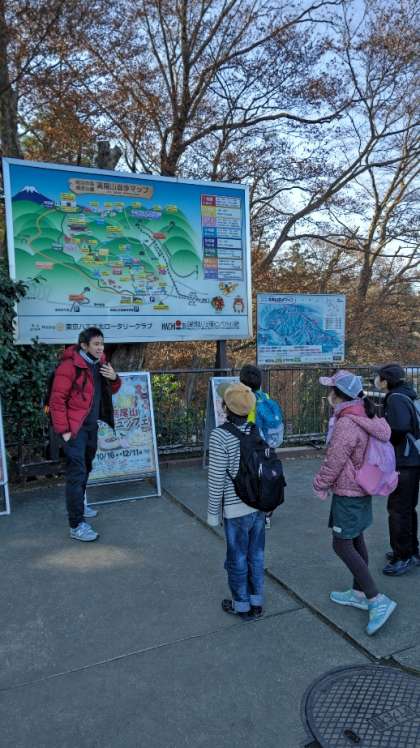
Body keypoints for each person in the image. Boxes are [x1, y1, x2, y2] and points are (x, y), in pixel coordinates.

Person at [313, 370, 397, 636]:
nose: (329, 394)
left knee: (341, 544)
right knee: (356, 538)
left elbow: (335, 460)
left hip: (348, 491)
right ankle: (359, 592)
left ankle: (375, 599)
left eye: (332, 390)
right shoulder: (365, 414)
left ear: (340, 395)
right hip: (362, 487)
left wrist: (320, 483)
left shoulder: (347, 423)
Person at [49, 327, 121, 541]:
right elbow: (56, 400)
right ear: (84, 345)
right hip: (74, 429)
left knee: (86, 467)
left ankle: (79, 504)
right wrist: (64, 431)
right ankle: (76, 524)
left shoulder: (100, 363)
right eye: (96, 344)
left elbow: (112, 389)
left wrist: (114, 378)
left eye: (102, 344)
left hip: (91, 427)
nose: (100, 348)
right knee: (77, 473)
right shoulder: (69, 366)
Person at [207, 382, 265, 620]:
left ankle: (242, 606)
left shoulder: (220, 435)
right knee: (256, 556)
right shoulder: (256, 431)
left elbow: (216, 478)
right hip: (258, 506)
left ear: (225, 407)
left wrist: (213, 514)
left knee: (237, 559)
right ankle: (256, 601)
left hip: (235, 510)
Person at [374, 364, 420, 575]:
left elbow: (399, 427)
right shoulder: (407, 394)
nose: (376, 381)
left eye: (379, 377)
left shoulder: (395, 398)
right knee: (407, 508)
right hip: (412, 459)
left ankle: (403, 556)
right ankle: (411, 550)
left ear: (386, 380)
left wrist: (383, 434)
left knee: (398, 510)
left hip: (404, 460)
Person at [239, 364, 284, 528]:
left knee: (252, 479)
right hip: (270, 447)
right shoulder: (266, 397)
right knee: (266, 477)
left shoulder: (246, 401)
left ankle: (255, 513)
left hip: (254, 447)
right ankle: (267, 514)